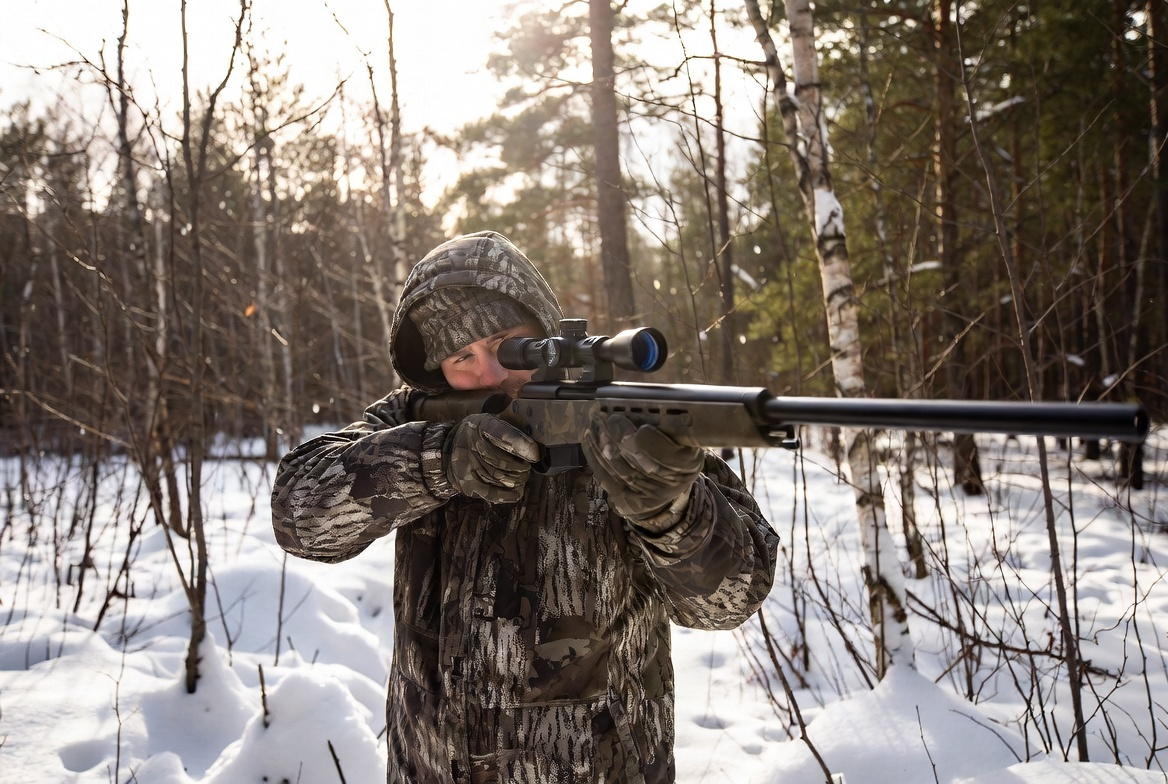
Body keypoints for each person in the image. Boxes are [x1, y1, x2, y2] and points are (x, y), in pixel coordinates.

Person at [271, 231, 778, 784]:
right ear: (435, 372)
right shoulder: (415, 420)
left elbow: (728, 602)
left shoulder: (621, 423)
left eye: (509, 344)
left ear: (546, 332)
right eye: (462, 357)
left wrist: (669, 508)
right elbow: (299, 520)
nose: (490, 374)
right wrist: (437, 461)